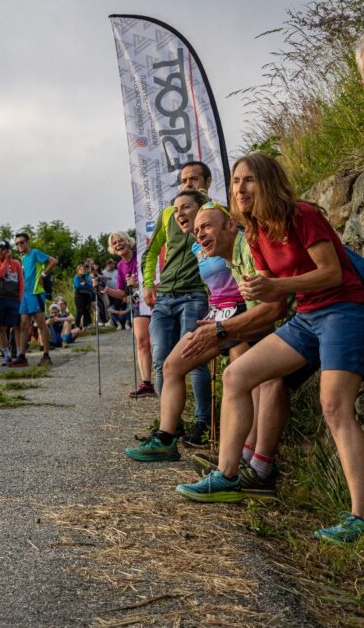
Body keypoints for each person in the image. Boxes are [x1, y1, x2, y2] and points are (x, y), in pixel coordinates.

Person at [174, 153, 364, 543]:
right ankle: (227, 476)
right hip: (307, 318)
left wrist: (272, 287)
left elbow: (331, 272)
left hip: (344, 309)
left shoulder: (302, 215)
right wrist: (241, 307)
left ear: (268, 183)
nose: (240, 189)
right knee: (238, 374)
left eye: (249, 181)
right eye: (236, 182)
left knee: (334, 406)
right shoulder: (255, 232)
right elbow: (271, 301)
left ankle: (359, 516)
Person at [124, 195, 277, 462]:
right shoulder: (199, 245)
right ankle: (165, 438)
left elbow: (257, 287)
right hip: (217, 314)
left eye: (187, 208)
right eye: (176, 210)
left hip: (243, 313)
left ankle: (245, 455)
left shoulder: (236, 236)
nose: (179, 213)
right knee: (172, 365)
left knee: (245, 380)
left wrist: (235, 322)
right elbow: (210, 281)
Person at [142, 161, 213, 440]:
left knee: (194, 360)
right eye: (184, 180)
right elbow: (150, 252)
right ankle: (170, 424)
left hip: (195, 293)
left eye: (194, 179)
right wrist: (148, 283)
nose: (188, 185)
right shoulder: (170, 214)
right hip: (165, 296)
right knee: (160, 360)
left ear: (206, 181)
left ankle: (202, 423)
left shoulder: (214, 214)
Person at [102, 231, 154, 398]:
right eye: (115, 243)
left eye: (121, 241)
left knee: (157, 341)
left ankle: (167, 378)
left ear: (128, 241)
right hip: (139, 303)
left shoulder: (141, 256)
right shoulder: (120, 266)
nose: (119, 244)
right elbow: (123, 293)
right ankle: (146, 383)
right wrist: (104, 289)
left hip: (154, 300)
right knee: (141, 341)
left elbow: (155, 276)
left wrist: (138, 283)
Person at [15, 231, 57, 367]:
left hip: (36, 293)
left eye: (22, 242)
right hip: (26, 295)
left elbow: (53, 261)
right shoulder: (23, 258)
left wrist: (44, 274)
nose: (19, 245)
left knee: (41, 324)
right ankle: (21, 356)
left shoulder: (35, 253)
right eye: (17, 243)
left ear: (27, 242)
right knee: (23, 325)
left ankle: (46, 355)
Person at [0, 240, 23, 366]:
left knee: (16, 326)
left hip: (13, 298)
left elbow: (21, 282)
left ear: (8, 250)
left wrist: (20, 298)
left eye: (3, 249)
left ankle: (19, 353)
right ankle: (7, 355)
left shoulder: (16, 263)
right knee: (1, 328)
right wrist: (6, 261)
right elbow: (0, 275)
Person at [72, 263, 95, 329]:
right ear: (78, 270)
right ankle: (77, 325)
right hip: (79, 296)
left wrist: (84, 284)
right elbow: (78, 286)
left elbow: (91, 285)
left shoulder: (87, 277)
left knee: (87, 310)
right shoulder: (76, 277)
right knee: (80, 310)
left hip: (87, 295)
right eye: (80, 269)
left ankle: (86, 325)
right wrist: (85, 285)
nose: (82, 270)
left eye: (83, 269)